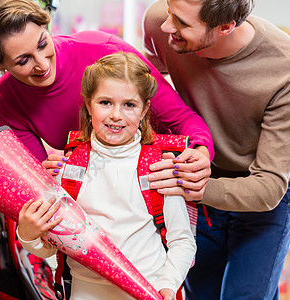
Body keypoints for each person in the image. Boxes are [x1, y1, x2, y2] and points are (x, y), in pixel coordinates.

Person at [142, 0, 290, 299]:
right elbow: (146, 88)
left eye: (181, 22)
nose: (168, 26)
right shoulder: (161, 22)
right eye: (169, 12)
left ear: (225, 27)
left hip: (262, 192)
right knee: (199, 292)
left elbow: (269, 186)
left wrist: (192, 187)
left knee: (245, 295)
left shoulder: (285, 69)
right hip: (199, 176)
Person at [0, 0, 214, 202]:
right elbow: (41, 183)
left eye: (43, 44)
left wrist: (201, 153)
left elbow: (183, 119)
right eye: (23, 61)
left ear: (47, 27)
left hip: (158, 188)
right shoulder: (4, 100)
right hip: (94, 202)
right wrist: (51, 172)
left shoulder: (102, 50)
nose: (42, 64)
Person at [16, 52, 196, 300]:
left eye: (129, 105)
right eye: (105, 102)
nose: (116, 115)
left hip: (150, 288)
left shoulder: (160, 167)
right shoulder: (66, 169)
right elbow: (49, 249)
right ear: (88, 104)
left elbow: (183, 241)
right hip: (85, 292)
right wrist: (27, 235)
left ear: (145, 110)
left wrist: (168, 284)